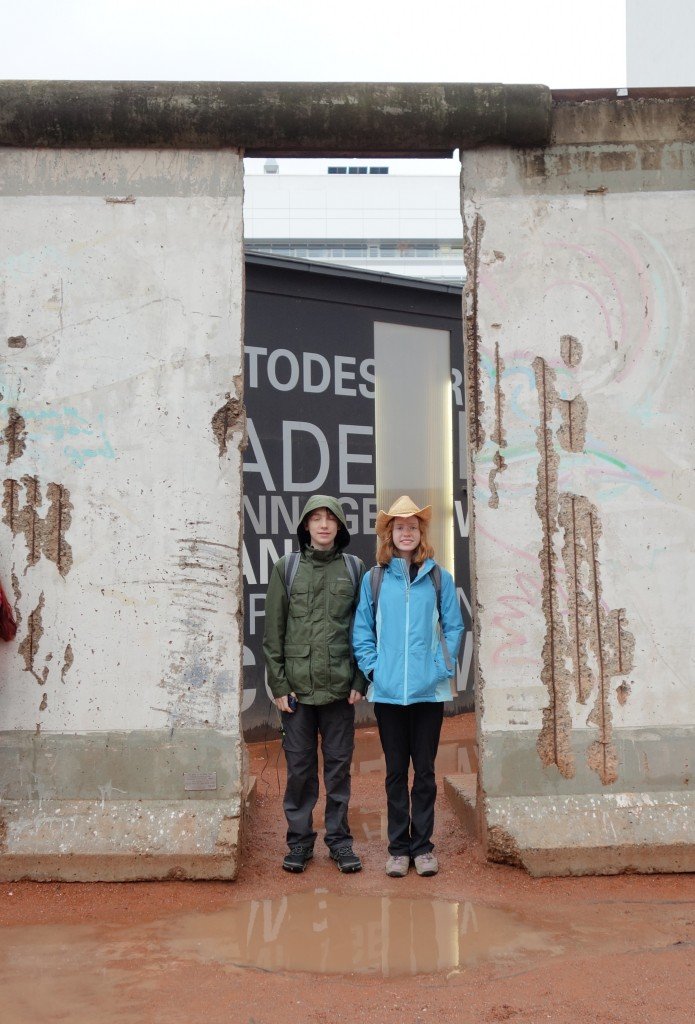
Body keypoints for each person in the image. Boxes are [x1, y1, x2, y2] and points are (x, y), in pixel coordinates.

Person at [352, 495, 464, 878]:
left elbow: (454, 627)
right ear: (389, 533)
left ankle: (424, 848)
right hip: (387, 694)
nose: (406, 533)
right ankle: (399, 850)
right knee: (396, 773)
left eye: (412, 527)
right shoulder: (375, 578)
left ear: (420, 534)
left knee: (426, 772)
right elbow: (362, 630)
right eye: (399, 527)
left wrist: (438, 669)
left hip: (428, 694)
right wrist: (374, 669)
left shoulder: (438, 578)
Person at [263, 494, 367, 874]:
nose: (323, 525)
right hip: (298, 693)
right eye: (316, 519)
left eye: (330, 519)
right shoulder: (286, 569)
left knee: (338, 769)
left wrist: (360, 679)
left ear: (339, 527)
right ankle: (300, 843)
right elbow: (272, 635)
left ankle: (339, 842)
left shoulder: (355, 570)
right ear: (306, 526)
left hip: (340, 689)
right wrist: (277, 685)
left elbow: (364, 630)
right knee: (300, 770)